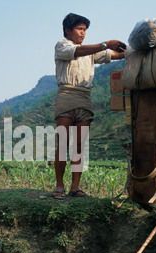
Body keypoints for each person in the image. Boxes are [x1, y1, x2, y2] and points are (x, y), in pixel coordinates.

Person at [53, 13, 126, 200]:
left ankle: (75, 187)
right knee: (62, 144)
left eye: (85, 30)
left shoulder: (91, 51)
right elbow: (78, 52)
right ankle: (59, 185)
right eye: (79, 29)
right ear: (68, 30)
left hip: (85, 97)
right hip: (67, 96)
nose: (83, 33)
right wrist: (104, 44)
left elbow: (115, 55)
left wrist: (134, 51)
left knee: (78, 146)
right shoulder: (62, 45)